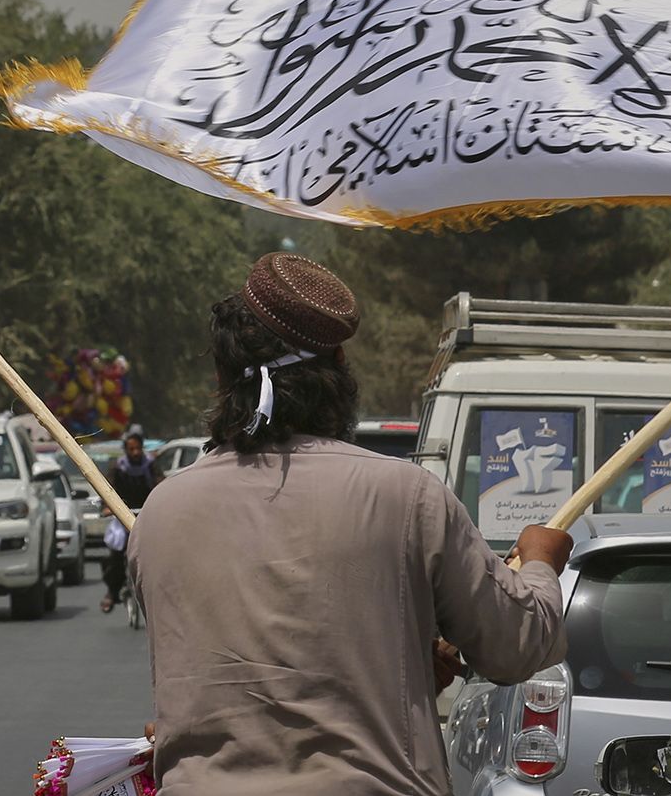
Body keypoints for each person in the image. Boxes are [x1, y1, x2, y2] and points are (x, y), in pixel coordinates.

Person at [129, 252, 570, 796]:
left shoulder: (161, 512)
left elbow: (234, 676)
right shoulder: (407, 497)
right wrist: (542, 562)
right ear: (338, 366)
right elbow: (517, 647)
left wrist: (397, 664)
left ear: (222, 375)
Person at [102, 433, 160, 613]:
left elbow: (160, 484)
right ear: (126, 450)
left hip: (145, 516)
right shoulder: (118, 468)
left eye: (138, 448)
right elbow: (107, 489)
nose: (135, 453)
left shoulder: (150, 466)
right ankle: (112, 592)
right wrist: (107, 507)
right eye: (131, 449)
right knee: (116, 556)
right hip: (121, 516)